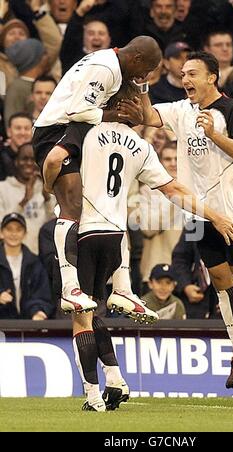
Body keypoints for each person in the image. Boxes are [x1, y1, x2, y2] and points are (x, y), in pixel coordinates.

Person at [72, 80, 233, 411]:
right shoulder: (140, 146)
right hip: (117, 238)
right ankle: (116, 380)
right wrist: (215, 216)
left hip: (82, 230)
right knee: (95, 310)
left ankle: (92, 396)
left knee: (80, 315)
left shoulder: (85, 132)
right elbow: (175, 191)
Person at [129, 50, 233, 390]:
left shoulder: (232, 110)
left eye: (193, 74)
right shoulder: (181, 110)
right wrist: (142, 87)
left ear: (211, 77)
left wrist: (214, 135)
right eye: (183, 74)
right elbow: (147, 116)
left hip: (232, 210)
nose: (185, 79)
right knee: (220, 281)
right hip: (199, 212)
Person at [32, 36, 163, 314]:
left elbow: (149, 116)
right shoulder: (105, 68)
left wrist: (142, 85)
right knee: (73, 207)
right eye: (146, 70)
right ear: (136, 58)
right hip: (57, 130)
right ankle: (70, 289)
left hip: (80, 130)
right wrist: (113, 114)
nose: (145, 76)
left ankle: (123, 289)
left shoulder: (117, 67)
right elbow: (77, 111)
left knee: (110, 207)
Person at [0, 212, 53, 320]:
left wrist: (39, 312)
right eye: (9, 229)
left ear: (25, 234)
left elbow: (43, 294)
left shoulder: (35, 263)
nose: (13, 234)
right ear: (1, 233)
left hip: (29, 325)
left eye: (18, 229)